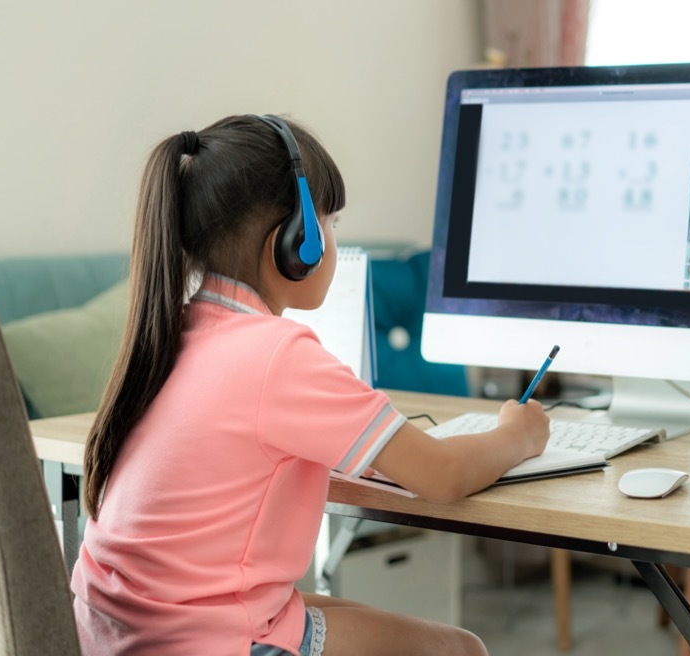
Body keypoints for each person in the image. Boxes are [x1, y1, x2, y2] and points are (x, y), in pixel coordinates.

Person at [72, 114, 550, 656]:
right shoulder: (277, 354)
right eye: (331, 221)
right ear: (296, 243)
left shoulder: (173, 332)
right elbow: (442, 475)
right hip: (207, 640)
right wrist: (518, 433)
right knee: (461, 649)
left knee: (336, 610)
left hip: (116, 635)